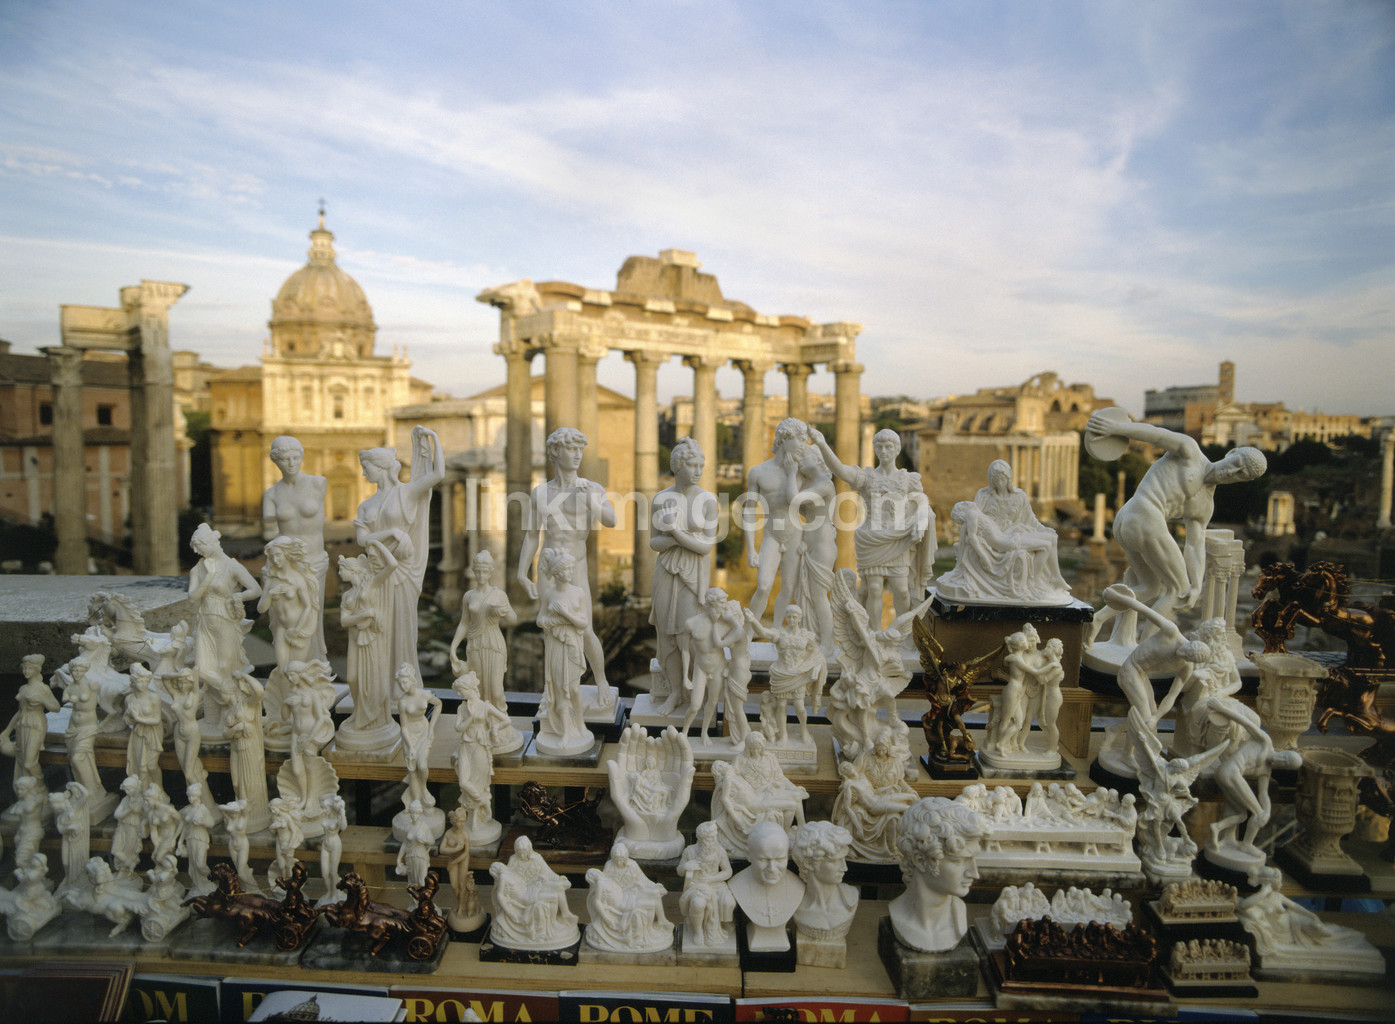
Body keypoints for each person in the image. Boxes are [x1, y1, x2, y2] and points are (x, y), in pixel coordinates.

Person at [1084, 412, 1265, 645]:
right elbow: (1156, 434)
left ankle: (1098, 619)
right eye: (1236, 464)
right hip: (1143, 515)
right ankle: (1144, 652)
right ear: (1231, 453)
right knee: (1178, 591)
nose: (1231, 473)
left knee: (1149, 587)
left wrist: (1197, 584)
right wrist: (1115, 428)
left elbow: (1195, 543)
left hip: (1131, 523)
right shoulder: (1190, 452)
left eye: (1240, 475)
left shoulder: (1205, 505)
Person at [518, 427, 617, 705]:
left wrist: (593, 504)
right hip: (547, 568)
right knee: (551, 631)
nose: (577, 455)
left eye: (579, 450)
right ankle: (554, 690)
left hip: (575, 566)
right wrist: (521, 573)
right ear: (555, 452)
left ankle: (601, 681)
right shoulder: (540, 493)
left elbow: (611, 520)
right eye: (571, 449)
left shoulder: (591, 488)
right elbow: (531, 536)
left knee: (585, 629)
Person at [812, 427, 935, 625]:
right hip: (871, 538)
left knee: (901, 589)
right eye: (880, 446)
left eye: (888, 446)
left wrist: (921, 520)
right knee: (874, 589)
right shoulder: (867, 477)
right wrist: (821, 443)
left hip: (898, 539)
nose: (884, 451)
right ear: (875, 449)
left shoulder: (908, 479)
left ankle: (902, 634)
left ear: (897, 449)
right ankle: (875, 635)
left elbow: (922, 501)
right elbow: (840, 470)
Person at [355, 425, 445, 693]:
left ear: (381, 467)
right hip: (377, 572)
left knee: (403, 629)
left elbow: (438, 474)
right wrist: (390, 532)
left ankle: (403, 685)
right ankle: (380, 687)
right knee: (379, 628)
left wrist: (434, 439)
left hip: (402, 572)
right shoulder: (366, 505)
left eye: (367, 468)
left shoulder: (406, 492)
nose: (363, 473)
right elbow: (362, 540)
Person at [937, 460, 1069, 606]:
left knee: (1052, 538)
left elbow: (1031, 520)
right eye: (996, 480)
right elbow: (971, 533)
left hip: (1011, 533)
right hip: (1004, 540)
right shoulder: (981, 500)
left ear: (1009, 478)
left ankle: (1055, 578)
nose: (999, 483)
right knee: (1045, 545)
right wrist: (982, 554)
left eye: (1002, 479)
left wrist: (1044, 529)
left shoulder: (1019, 496)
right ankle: (1034, 583)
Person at [649, 439, 719, 715]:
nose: (698, 470)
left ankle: (694, 692)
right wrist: (676, 538)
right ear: (677, 466)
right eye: (691, 465)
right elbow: (654, 543)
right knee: (667, 635)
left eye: (701, 465)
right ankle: (675, 693)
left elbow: (706, 547)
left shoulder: (708, 501)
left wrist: (675, 532)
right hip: (666, 570)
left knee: (689, 633)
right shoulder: (660, 499)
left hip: (694, 573)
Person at [889, 797, 989, 953]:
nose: (974, 873)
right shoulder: (898, 917)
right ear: (920, 860)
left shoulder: (959, 919)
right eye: (959, 861)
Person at [188, 523, 261, 728]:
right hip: (204, 622)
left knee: (224, 668)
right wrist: (208, 578)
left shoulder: (232, 566)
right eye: (195, 548)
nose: (197, 552)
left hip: (225, 621)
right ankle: (220, 708)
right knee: (202, 669)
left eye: (200, 546)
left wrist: (238, 596)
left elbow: (255, 589)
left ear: (212, 543)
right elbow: (192, 597)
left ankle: (229, 716)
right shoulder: (198, 569)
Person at [262, 435, 328, 661]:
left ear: (301, 457)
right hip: (286, 565)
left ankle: (314, 665)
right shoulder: (271, 494)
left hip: (314, 559)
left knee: (313, 615)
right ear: (275, 461)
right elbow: (272, 528)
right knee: (287, 617)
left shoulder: (318, 483)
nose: (291, 463)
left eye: (295, 457)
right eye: (284, 459)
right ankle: (291, 667)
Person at [449, 550, 517, 714]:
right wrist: (453, 647)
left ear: (491, 572)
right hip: (475, 643)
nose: (481, 575)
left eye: (485, 571)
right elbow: (464, 623)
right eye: (478, 571)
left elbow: (513, 620)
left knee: (496, 690)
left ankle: (500, 721)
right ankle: (480, 721)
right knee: (477, 686)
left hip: (494, 642)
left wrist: (503, 612)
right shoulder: (468, 596)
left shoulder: (499, 594)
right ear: (474, 571)